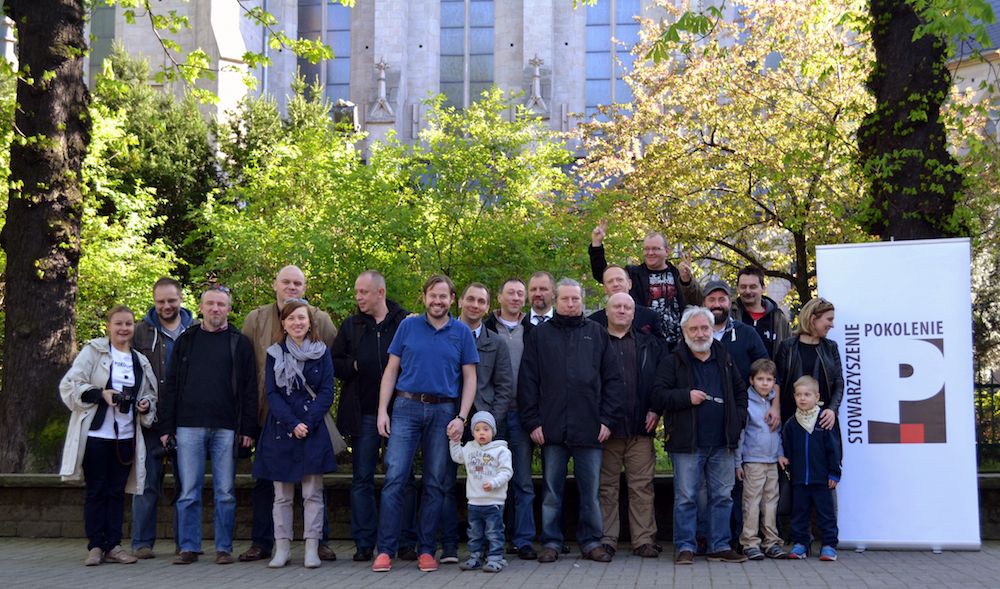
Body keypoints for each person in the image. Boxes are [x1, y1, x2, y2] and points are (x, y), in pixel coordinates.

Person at [372, 275, 479, 574]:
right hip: (405, 408)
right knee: (395, 478)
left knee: (435, 482)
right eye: (433, 295)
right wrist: (382, 411)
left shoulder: (462, 332)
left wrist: (462, 417)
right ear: (424, 297)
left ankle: (427, 550)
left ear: (452, 299)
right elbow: (391, 370)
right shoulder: (408, 326)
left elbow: (470, 377)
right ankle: (386, 550)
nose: (438, 301)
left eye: (443, 296)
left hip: (443, 411)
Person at [518, 278, 624, 564]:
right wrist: (532, 422)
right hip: (551, 428)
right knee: (552, 492)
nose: (570, 303)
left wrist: (607, 420)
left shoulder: (596, 333)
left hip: (590, 428)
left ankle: (591, 541)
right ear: (556, 300)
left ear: (582, 301)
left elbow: (613, 381)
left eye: (575, 299)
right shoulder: (540, 335)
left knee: (590, 493)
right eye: (565, 299)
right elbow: (528, 381)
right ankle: (551, 542)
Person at [239, 265, 338, 563]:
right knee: (276, 491)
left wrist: (307, 421)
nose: (291, 287)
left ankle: (314, 546)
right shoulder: (262, 331)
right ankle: (274, 546)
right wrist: (291, 422)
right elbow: (266, 387)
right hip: (276, 422)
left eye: (297, 283)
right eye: (286, 282)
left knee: (312, 492)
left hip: (312, 425)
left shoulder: (322, 341)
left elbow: (327, 390)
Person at [158, 286, 259, 565]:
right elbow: (171, 386)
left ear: (229, 309)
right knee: (188, 491)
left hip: (227, 427)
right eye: (211, 304)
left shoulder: (240, 343)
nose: (216, 309)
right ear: (201, 307)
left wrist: (248, 428)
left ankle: (224, 548)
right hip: (188, 426)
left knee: (225, 492)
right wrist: (166, 427)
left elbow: (250, 389)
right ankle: (188, 547)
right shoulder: (186, 340)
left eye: (221, 304)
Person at [59, 305, 157, 566]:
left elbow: (150, 394)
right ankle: (95, 546)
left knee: (116, 492)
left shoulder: (139, 360)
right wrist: (100, 394)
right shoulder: (94, 351)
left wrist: (144, 404)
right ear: (109, 326)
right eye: (119, 324)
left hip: (126, 437)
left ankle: (113, 545)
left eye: (128, 324)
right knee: (96, 490)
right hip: (96, 435)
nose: (124, 328)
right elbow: (70, 385)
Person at [651, 306, 748, 564]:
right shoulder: (673, 361)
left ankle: (719, 545)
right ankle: (685, 546)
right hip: (687, 443)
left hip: (722, 442)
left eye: (704, 328)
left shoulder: (725, 358)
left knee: (722, 497)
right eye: (693, 329)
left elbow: (740, 393)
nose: (700, 333)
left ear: (712, 329)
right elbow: (658, 395)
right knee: (686, 498)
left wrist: (737, 420)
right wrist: (686, 396)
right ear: (684, 332)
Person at [331, 270, 416, 562]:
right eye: (357, 292)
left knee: (403, 478)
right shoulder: (351, 326)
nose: (358, 297)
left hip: (401, 412)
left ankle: (405, 541)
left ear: (380, 292)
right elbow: (334, 362)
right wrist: (354, 366)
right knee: (362, 478)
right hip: (363, 412)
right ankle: (364, 542)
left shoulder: (406, 322)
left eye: (363, 292)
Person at [438, 282, 514, 563]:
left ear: (487, 306)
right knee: (444, 482)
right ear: (460, 302)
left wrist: (491, 422)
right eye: (470, 299)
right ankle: (449, 545)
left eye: (481, 301)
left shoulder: (496, 342)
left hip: (485, 425)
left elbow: (504, 386)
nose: (475, 305)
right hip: (448, 420)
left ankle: (491, 549)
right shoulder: (443, 335)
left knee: (490, 486)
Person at [130, 277, 194, 559]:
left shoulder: (195, 331)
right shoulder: (139, 332)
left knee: (186, 485)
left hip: (186, 421)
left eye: (171, 300)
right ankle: (142, 543)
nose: (166, 306)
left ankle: (185, 544)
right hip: (150, 421)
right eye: (160, 301)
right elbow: (126, 370)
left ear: (181, 299)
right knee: (146, 484)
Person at [597, 293, 663, 559]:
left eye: (627, 307)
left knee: (642, 487)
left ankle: (644, 540)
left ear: (634, 314)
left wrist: (656, 408)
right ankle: (606, 539)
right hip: (606, 430)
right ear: (607, 311)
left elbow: (660, 381)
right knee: (606, 488)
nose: (622, 310)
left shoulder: (649, 343)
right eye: (617, 306)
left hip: (640, 428)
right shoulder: (595, 342)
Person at [483, 277, 539, 559]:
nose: (516, 298)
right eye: (511, 293)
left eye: (520, 293)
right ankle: (491, 540)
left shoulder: (534, 331)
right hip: (491, 415)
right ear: (500, 297)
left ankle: (523, 539)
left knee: (523, 481)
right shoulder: (486, 329)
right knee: (491, 481)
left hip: (522, 414)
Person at [589, 221, 702, 347]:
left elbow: (696, 303)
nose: (650, 253)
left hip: (677, 345)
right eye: (646, 249)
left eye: (655, 249)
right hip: (645, 345)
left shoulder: (678, 275)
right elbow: (604, 275)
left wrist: (686, 280)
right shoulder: (633, 274)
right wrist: (596, 245)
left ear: (667, 251)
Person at [782, 376, 841, 561]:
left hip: (822, 479)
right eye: (798, 394)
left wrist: (834, 473)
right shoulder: (792, 423)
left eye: (807, 394)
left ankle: (829, 545)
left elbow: (834, 449)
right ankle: (801, 543)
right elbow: (787, 448)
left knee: (826, 514)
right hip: (799, 479)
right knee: (799, 513)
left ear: (817, 397)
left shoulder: (824, 420)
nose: (802, 398)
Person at [735, 359, 787, 560]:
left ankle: (771, 542)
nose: (765, 383)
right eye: (760, 379)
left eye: (769, 379)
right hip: (753, 461)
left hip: (772, 461)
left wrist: (780, 453)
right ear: (751, 380)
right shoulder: (746, 403)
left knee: (771, 502)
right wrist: (737, 462)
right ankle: (749, 542)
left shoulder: (774, 403)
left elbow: (777, 432)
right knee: (752, 503)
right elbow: (741, 434)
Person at [450, 411, 513, 573]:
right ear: (473, 433)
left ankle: (495, 558)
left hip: (494, 502)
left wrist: (493, 483)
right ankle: (475, 557)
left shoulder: (501, 451)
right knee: (475, 533)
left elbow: (506, 472)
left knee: (494, 532)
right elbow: (457, 457)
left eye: (486, 429)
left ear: (493, 431)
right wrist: (454, 440)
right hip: (474, 502)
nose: (481, 433)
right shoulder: (469, 448)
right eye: (477, 430)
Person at [774, 297, 843, 430]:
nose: (832, 325)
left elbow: (838, 382)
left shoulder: (831, 347)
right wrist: (775, 408)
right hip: (791, 421)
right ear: (813, 319)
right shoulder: (787, 347)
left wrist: (832, 409)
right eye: (829, 319)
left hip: (823, 422)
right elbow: (778, 381)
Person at [587, 265, 665, 338]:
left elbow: (660, 347)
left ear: (630, 284)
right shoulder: (592, 323)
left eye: (620, 280)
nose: (615, 284)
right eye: (610, 281)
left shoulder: (650, 317)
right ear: (605, 288)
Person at [732, 266, 791, 360]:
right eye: (743, 287)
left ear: (763, 288)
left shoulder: (779, 319)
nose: (748, 291)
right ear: (737, 289)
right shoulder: (730, 316)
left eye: (753, 287)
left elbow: (788, 354)